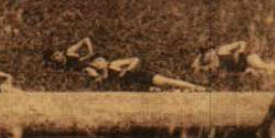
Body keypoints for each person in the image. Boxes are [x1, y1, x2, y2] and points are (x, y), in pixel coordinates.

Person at [45, 37, 203, 92]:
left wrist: (126, 70)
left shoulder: (113, 64)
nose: (97, 63)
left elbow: (134, 59)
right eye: (96, 62)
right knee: (163, 90)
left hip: (140, 77)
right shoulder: (100, 73)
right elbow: (97, 78)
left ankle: (196, 87)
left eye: (99, 60)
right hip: (136, 86)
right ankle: (189, 90)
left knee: (167, 81)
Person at [190, 40, 275, 78]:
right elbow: (194, 66)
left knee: (262, 66)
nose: (210, 55)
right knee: (261, 72)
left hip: (246, 59)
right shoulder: (206, 60)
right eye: (207, 54)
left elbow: (242, 42)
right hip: (241, 68)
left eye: (211, 52)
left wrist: (240, 53)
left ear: (213, 49)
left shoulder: (222, 50)